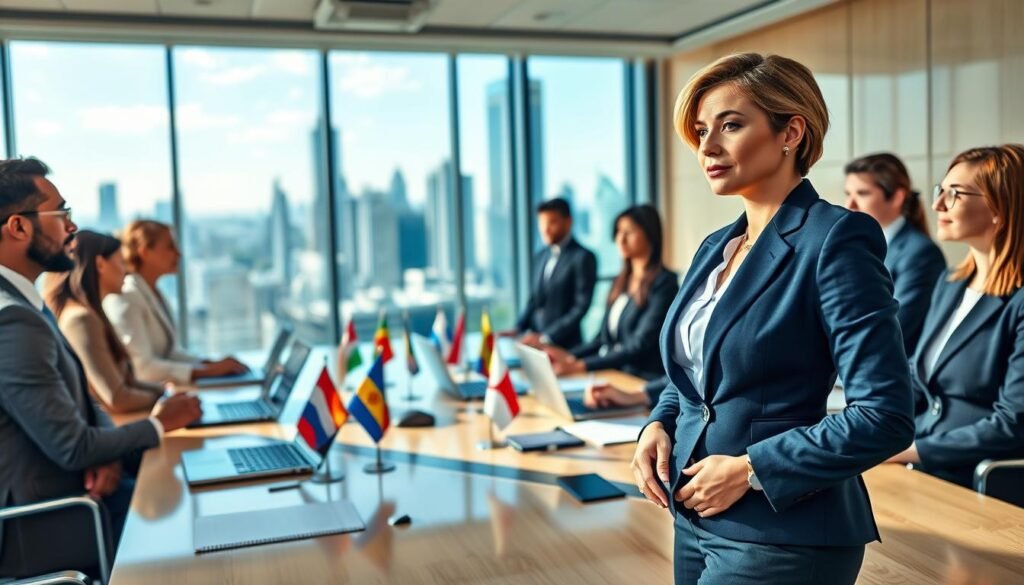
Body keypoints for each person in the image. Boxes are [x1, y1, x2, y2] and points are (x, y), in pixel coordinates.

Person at [630, 53, 914, 585]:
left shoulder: (836, 238)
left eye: (730, 125)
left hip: (785, 534)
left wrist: (751, 469)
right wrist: (658, 424)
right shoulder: (717, 246)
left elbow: (885, 415)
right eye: (700, 131)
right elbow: (695, 378)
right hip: (692, 519)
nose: (707, 147)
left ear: (792, 132)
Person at [0, 158, 200, 579]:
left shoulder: (23, 304)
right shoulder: (11, 319)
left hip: (74, 493)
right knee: (186, 528)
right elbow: (72, 448)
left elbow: (77, 406)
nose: (71, 228)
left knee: (186, 497)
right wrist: (160, 424)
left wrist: (106, 452)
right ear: (18, 227)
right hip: (47, 524)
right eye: (61, 214)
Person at [885, 144, 1024, 488]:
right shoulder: (950, 285)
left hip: (977, 480)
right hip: (920, 466)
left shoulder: (1019, 301)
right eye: (940, 191)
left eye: (955, 194)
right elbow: (918, 380)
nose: (937, 205)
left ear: (1000, 207)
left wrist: (909, 450)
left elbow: (1013, 422)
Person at [103, 219, 247, 385]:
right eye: (170, 247)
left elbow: (168, 354)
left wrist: (210, 363)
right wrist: (210, 371)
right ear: (145, 252)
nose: (179, 254)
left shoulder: (153, 292)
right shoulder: (127, 297)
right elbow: (142, 368)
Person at [546, 204, 678, 381]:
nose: (620, 239)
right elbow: (602, 339)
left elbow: (639, 344)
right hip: (613, 373)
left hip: (640, 378)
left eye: (629, 232)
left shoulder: (665, 283)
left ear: (650, 234)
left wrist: (582, 365)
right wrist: (569, 357)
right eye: (618, 232)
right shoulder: (620, 282)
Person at [45, 230, 165, 413]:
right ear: (100, 264)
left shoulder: (91, 315)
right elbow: (117, 398)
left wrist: (164, 392)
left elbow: (126, 383)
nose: (126, 271)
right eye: (121, 262)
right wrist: (163, 398)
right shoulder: (81, 320)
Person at [844, 153, 946, 354]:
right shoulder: (854, 247)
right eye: (848, 194)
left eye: (862, 194)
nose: (850, 205)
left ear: (897, 197)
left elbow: (894, 331)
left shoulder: (920, 254)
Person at [516, 198, 597, 349]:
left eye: (552, 222)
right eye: (542, 223)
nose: (545, 229)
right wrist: (517, 328)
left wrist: (547, 336)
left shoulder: (583, 257)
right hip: (534, 343)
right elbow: (534, 300)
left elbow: (580, 307)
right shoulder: (540, 256)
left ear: (568, 222)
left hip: (566, 346)